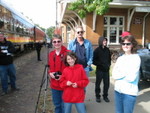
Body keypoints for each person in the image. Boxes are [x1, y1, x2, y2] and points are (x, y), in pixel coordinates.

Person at [112, 35, 141, 113]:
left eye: (128, 44)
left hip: (129, 93)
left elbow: (131, 77)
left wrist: (120, 73)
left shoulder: (136, 58)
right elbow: (114, 74)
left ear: (132, 45)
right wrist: (126, 72)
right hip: (118, 91)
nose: (125, 45)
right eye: (123, 43)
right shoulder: (120, 58)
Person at [48, 34, 69, 113]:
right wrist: (50, 73)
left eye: (58, 41)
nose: (56, 43)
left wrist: (63, 76)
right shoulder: (51, 54)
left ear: (62, 42)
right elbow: (50, 68)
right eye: (54, 42)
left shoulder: (68, 53)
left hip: (65, 85)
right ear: (52, 43)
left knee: (65, 106)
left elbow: (72, 69)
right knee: (57, 105)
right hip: (54, 85)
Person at [93, 36, 111, 103]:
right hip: (99, 70)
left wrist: (109, 65)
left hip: (106, 70)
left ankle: (105, 96)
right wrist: (100, 64)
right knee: (98, 84)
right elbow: (94, 61)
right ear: (100, 41)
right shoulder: (97, 50)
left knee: (107, 84)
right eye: (104, 41)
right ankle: (98, 96)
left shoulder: (107, 50)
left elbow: (109, 59)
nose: (105, 42)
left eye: (106, 40)